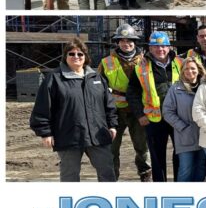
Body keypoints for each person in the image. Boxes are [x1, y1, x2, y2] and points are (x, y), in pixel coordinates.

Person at [30, 38, 117, 182]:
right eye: (71, 54)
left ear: (86, 57)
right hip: (69, 136)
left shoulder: (96, 78)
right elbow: (42, 108)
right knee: (70, 177)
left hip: (98, 135)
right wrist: (45, 133)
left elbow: (109, 105)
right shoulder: (54, 78)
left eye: (80, 54)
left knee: (107, 172)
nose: (76, 57)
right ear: (65, 57)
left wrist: (112, 125)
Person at [97, 23, 152, 181]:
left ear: (135, 42)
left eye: (130, 41)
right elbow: (98, 87)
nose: (126, 44)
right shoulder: (106, 62)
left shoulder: (145, 61)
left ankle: (145, 175)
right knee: (112, 148)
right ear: (117, 42)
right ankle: (112, 178)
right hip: (115, 112)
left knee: (142, 147)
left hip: (139, 111)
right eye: (122, 41)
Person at [126, 31, 178, 183]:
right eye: (156, 47)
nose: (160, 50)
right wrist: (140, 115)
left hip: (178, 118)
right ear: (150, 48)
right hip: (154, 119)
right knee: (157, 158)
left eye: (163, 46)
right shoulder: (141, 67)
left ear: (169, 47)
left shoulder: (180, 64)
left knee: (180, 155)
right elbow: (132, 93)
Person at [162, 57, 206, 182]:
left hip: (205, 135)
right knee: (185, 169)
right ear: (182, 71)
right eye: (186, 69)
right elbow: (167, 111)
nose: (190, 71)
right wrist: (182, 126)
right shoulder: (175, 89)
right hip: (185, 136)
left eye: (193, 68)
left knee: (201, 168)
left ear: (198, 70)